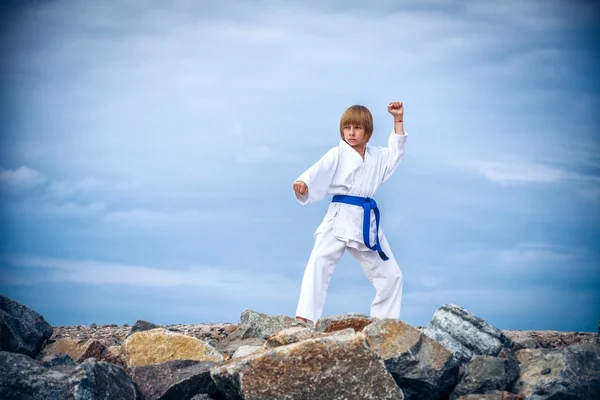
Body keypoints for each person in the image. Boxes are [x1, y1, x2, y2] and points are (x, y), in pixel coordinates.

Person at [292, 101, 408, 326]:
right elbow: (319, 170)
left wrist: (398, 118)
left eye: (357, 128)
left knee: (392, 275)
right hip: (340, 216)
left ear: (368, 132)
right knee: (318, 263)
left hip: (366, 221)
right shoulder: (337, 154)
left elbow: (396, 153)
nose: (351, 133)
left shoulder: (378, 157)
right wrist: (303, 182)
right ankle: (305, 318)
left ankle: (385, 324)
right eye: (347, 128)